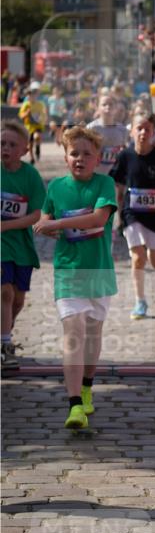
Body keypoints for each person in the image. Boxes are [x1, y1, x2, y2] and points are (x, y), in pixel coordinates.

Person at [34, 126, 117, 429]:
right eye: (74, 153)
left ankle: (86, 387)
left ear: (97, 159)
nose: (80, 159)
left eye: (87, 154)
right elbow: (44, 219)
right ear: (65, 157)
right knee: (73, 334)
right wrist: (49, 226)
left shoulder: (104, 184)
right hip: (68, 271)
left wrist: (59, 223)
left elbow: (99, 218)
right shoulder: (56, 187)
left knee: (93, 336)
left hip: (98, 272)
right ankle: (74, 406)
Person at [110, 113, 155, 320]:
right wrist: (115, 210)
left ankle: (150, 251)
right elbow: (118, 186)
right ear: (131, 131)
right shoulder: (125, 156)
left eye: (147, 129)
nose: (142, 132)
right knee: (137, 258)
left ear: (152, 133)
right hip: (132, 214)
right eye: (138, 128)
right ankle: (140, 301)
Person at [1, 121, 45, 370]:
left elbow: (36, 214)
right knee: (4, 292)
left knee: (16, 300)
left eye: (11, 145)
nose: (5, 148)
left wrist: (6, 225)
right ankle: (5, 347)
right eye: (2, 143)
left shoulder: (31, 176)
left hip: (21, 246)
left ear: (25, 150)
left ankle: (4, 332)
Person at [87, 92, 129, 176]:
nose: (108, 107)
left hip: (115, 175)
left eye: (111, 104)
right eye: (104, 104)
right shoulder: (91, 128)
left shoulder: (122, 130)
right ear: (98, 107)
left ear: (116, 108)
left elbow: (124, 152)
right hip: (96, 174)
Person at [18, 83, 48, 164]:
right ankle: (32, 157)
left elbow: (44, 114)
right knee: (30, 144)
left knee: (37, 136)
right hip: (29, 126)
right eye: (30, 96)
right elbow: (21, 116)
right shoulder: (26, 105)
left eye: (33, 95)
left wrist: (43, 119)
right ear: (28, 96)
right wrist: (26, 113)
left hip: (37, 125)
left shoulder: (40, 104)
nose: (32, 97)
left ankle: (37, 147)